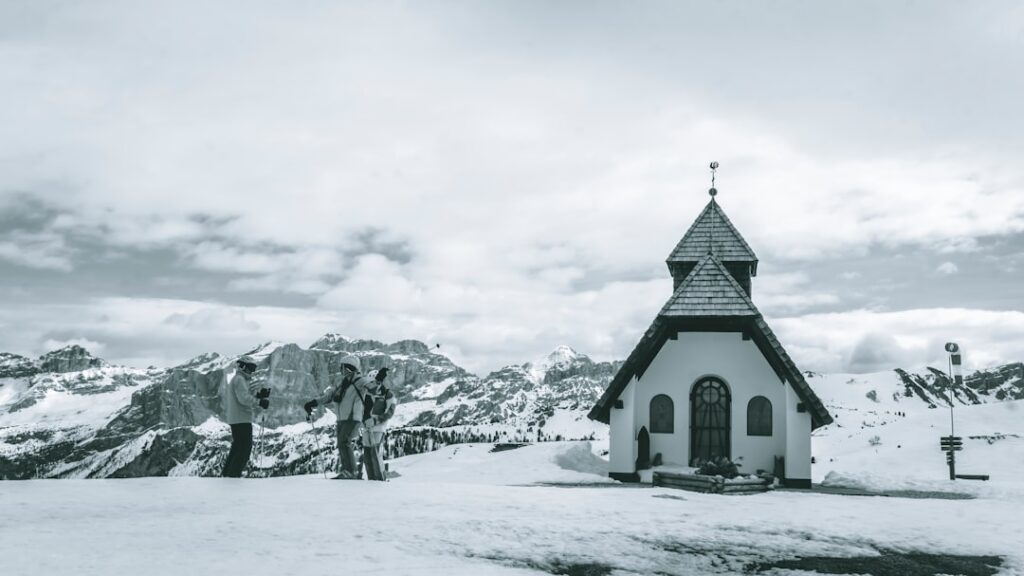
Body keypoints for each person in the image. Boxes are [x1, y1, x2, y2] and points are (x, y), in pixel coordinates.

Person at [303, 355, 371, 479]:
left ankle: (351, 472)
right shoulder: (341, 383)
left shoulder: (360, 381)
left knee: (344, 442)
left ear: (349, 368)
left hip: (353, 418)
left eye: (342, 366)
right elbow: (328, 396)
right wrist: (313, 403)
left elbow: (372, 387)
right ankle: (347, 471)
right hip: (341, 419)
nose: (340, 369)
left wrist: (378, 388)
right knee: (341, 444)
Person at [221, 355, 271, 477]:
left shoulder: (239, 379)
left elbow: (244, 395)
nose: (252, 371)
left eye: (253, 368)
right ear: (242, 366)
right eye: (250, 368)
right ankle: (233, 476)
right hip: (241, 419)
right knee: (244, 449)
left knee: (237, 447)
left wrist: (258, 396)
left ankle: (227, 475)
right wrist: (259, 401)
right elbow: (243, 398)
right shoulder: (239, 379)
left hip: (237, 418)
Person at [361, 367, 397, 481]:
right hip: (367, 427)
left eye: (374, 382)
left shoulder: (388, 394)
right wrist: (364, 420)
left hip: (379, 427)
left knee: (375, 453)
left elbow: (390, 412)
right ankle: (371, 478)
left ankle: (379, 478)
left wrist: (376, 420)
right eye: (370, 383)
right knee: (367, 454)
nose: (372, 385)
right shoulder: (366, 394)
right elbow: (362, 410)